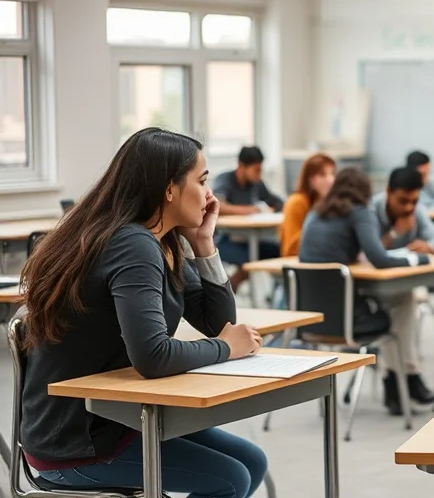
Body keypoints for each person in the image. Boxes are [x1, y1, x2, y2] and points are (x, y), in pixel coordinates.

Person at [19, 128, 266, 498]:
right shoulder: (132, 244)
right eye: (201, 181)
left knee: (252, 461)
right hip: (76, 443)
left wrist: (203, 244)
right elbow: (153, 356)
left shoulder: (163, 241)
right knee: (232, 479)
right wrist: (227, 348)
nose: (210, 194)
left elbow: (218, 323)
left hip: (118, 418)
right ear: (169, 190)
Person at [300, 167, 434, 416]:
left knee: (398, 299)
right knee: (402, 301)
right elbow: (379, 258)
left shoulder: (316, 213)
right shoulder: (359, 212)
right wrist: (420, 260)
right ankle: (403, 379)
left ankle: (397, 382)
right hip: (347, 321)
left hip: (311, 320)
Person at [213, 146, 285, 290]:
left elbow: (277, 202)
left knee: (281, 252)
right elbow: (218, 205)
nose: (259, 174)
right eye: (256, 170)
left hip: (252, 240)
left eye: (261, 169)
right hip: (225, 240)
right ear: (241, 166)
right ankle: (224, 293)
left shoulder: (256, 184)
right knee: (250, 260)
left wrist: (273, 208)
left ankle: (277, 298)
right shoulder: (225, 180)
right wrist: (250, 210)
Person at [279, 153, 336, 257]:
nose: (330, 180)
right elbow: (290, 248)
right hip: (299, 263)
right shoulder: (297, 202)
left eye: (332, 174)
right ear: (310, 180)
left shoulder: (331, 203)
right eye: (323, 175)